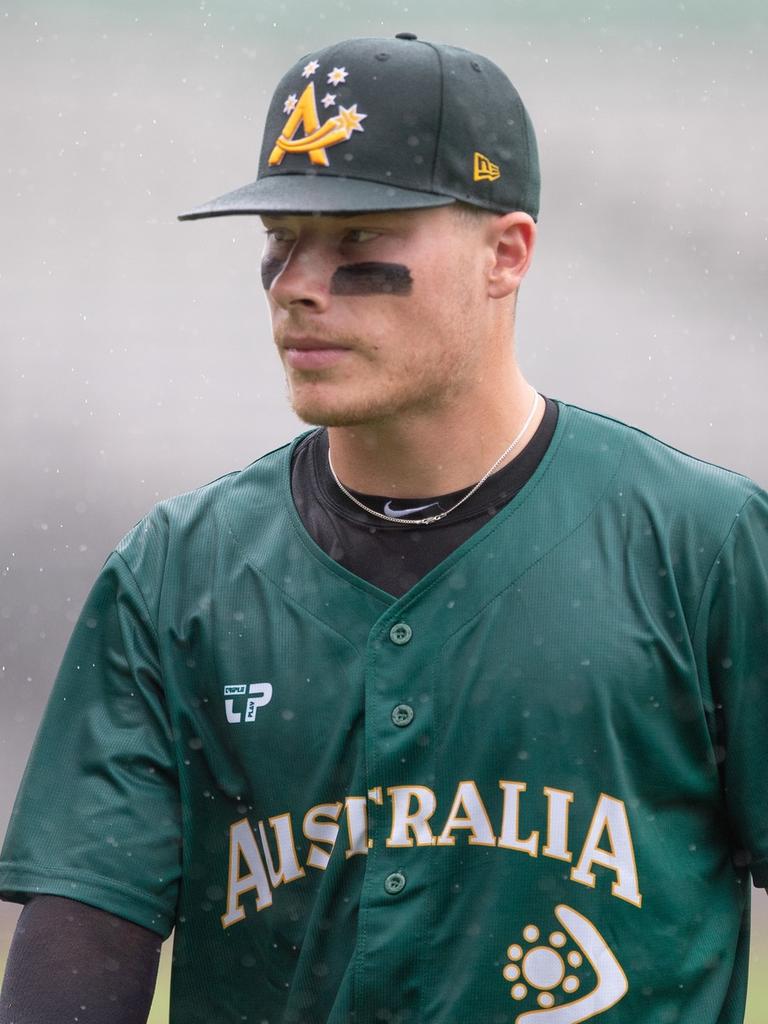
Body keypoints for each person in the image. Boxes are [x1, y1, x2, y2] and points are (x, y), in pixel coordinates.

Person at [1, 32, 766, 1024]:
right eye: (281, 238)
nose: (296, 284)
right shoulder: (177, 575)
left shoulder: (703, 545)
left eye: (358, 240)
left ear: (508, 253)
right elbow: (71, 979)